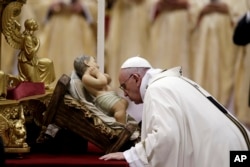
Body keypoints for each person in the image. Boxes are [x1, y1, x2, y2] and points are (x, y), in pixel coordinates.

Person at [99, 56, 250, 167]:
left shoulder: (157, 89)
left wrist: (130, 155)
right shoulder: (171, 82)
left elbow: (166, 137)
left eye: (124, 86)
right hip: (237, 146)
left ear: (136, 78)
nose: (124, 94)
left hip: (222, 152)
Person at [73, 55, 129, 124]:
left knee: (124, 102)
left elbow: (108, 79)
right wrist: (98, 73)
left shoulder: (94, 75)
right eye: (94, 62)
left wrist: (100, 75)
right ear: (86, 63)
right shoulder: (86, 77)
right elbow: (103, 82)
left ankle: (121, 117)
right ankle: (121, 128)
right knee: (120, 108)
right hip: (104, 98)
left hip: (111, 96)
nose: (97, 65)